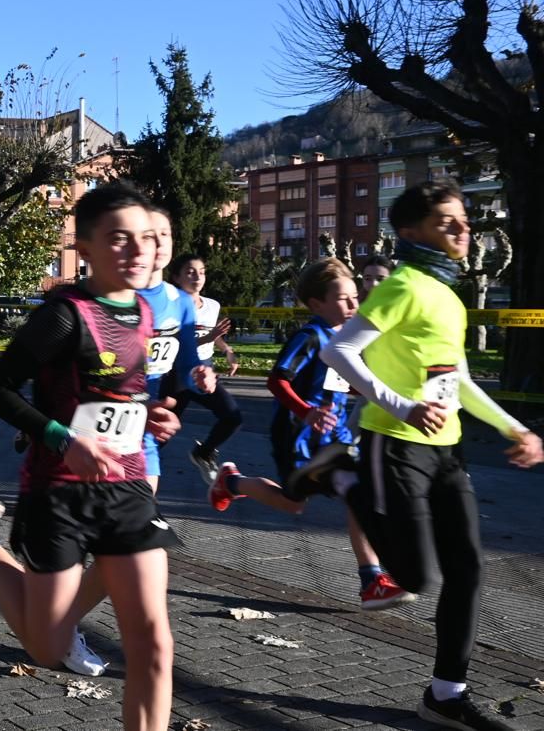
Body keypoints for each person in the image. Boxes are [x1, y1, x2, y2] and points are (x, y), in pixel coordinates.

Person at [0, 181, 182, 731]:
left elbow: (119, 392)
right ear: (85, 249)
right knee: (46, 649)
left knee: (154, 644)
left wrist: (152, 411)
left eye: (144, 238)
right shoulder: (63, 317)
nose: (138, 251)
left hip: (127, 486)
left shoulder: (142, 309)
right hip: (58, 492)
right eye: (119, 239)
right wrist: (63, 437)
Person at [309, 180, 543, 731]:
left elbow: (456, 380)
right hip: (394, 446)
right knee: (413, 577)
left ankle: (445, 695)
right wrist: (402, 406)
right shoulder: (405, 285)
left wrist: (515, 427)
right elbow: (336, 349)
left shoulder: (449, 294)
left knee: (468, 571)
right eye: (447, 222)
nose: (462, 229)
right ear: (412, 232)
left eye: (463, 220)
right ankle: (342, 477)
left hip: (446, 452)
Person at [205, 258, 411, 610]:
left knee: (359, 495)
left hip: (336, 435)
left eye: (354, 298)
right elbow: (277, 380)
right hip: (296, 434)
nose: (353, 305)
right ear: (317, 304)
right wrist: (307, 411)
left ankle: (372, 579)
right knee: (293, 504)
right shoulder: (309, 337)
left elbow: (345, 386)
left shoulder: (350, 340)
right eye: (343, 299)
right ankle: (232, 482)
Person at [135, 212, 216, 492]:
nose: (158, 241)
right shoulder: (112, 296)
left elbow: (187, 363)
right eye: (149, 234)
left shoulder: (179, 301)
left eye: (165, 234)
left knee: (144, 515)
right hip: (97, 428)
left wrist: (200, 376)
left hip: (145, 429)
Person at [162, 254, 246, 486]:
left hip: (204, 373)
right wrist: (208, 337)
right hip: (176, 374)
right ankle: (131, 474)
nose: (198, 276)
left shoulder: (212, 305)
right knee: (161, 434)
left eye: (202, 271)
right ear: (177, 277)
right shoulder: (170, 306)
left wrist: (227, 349)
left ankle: (205, 452)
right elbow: (175, 341)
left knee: (233, 416)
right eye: (190, 271)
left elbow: (214, 336)